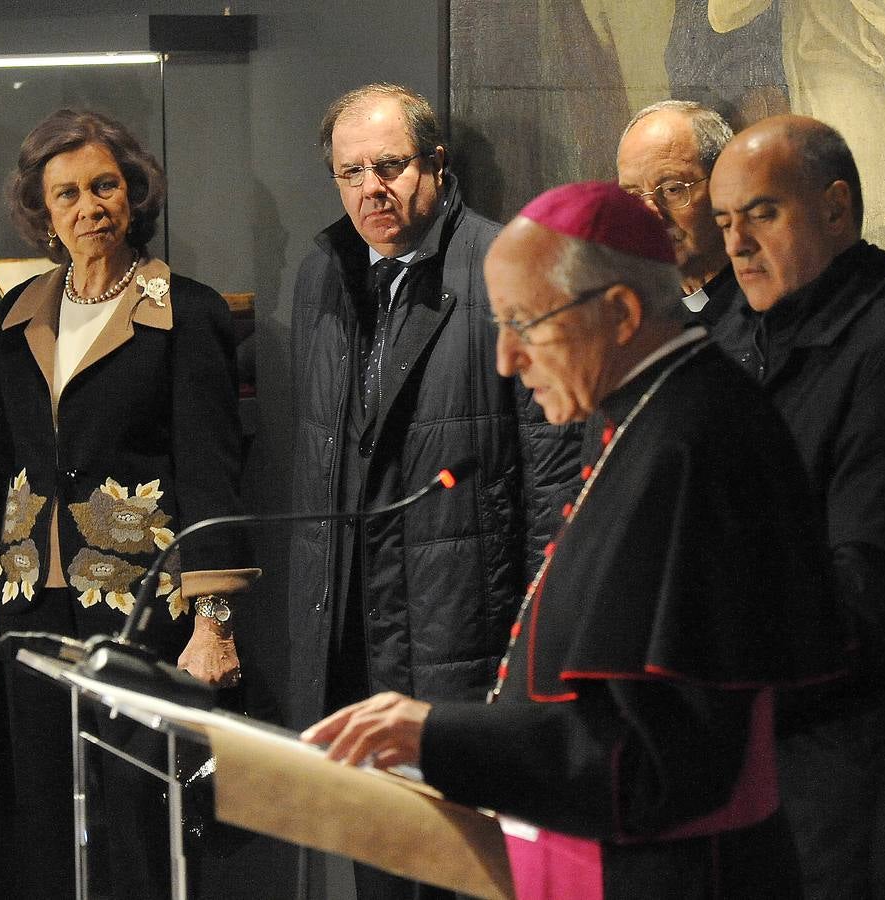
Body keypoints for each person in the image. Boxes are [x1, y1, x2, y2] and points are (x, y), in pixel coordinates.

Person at [304, 181, 845, 898]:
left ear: (619, 313)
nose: (506, 361)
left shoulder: (691, 445)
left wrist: (437, 736)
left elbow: (656, 764)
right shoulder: (652, 418)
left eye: (523, 323)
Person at [0, 108, 257, 900]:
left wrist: (213, 623)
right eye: (66, 194)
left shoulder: (184, 312)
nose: (88, 207)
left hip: (143, 610)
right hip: (30, 608)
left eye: (103, 185)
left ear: (133, 193)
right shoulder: (19, 317)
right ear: (41, 213)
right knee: (47, 816)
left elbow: (212, 470)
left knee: (134, 819)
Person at [287, 83, 578, 897]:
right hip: (350, 640)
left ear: (436, 166)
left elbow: (555, 487)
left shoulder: (506, 269)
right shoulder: (321, 274)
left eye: (389, 166)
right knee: (378, 870)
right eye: (350, 174)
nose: (369, 190)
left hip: (462, 639)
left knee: (466, 879)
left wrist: (531, 658)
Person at [708, 115, 885, 898]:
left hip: (846, 777)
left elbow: (872, 600)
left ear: (834, 210)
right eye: (724, 222)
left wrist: (700, 642)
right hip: (742, 763)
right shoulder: (728, 346)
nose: (735, 244)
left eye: (761, 213)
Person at [616, 99, 738, 329]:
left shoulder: (776, 302)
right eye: (633, 195)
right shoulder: (637, 321)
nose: (651, 215)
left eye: (672, 190)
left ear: (725, 184)